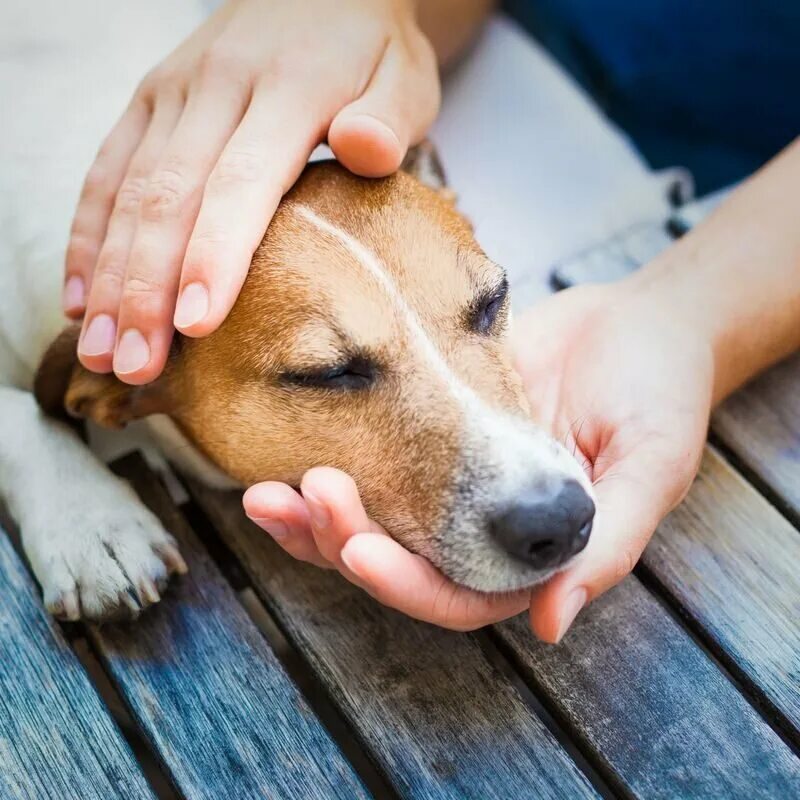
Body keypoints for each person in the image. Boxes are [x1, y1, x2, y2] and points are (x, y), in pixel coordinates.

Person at [64, 0, 800, 642]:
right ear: (119, 389)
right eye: (334, 370)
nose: (536, 487)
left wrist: (690, 314)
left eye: (484, 306)